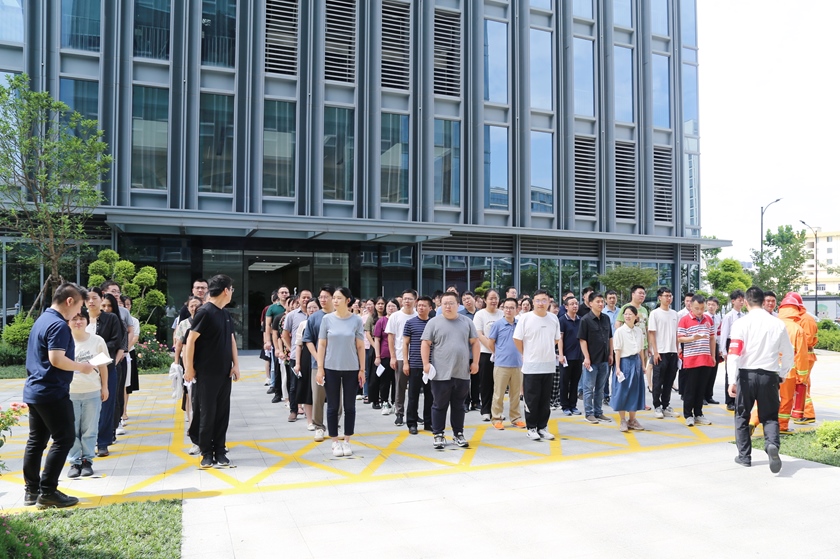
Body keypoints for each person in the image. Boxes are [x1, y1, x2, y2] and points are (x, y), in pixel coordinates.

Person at [23, 282, 92, 509]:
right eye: (79, 307)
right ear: (69, 301)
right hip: (52, 391)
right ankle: (48, 491)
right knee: (64, 439)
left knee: (36, 441)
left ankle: (32, 490)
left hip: (35, 390)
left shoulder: (42, 319)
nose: (79, 313)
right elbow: (56, 359)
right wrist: (82, 367)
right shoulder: (59, 325)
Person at [728, 286, 793, 472]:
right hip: (769, 376)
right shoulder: (777, 323)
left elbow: (734, 354)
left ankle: (744, 456)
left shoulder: (740, 324)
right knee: (770, 416)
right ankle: (771, 444)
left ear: (746, 302)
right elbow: (789, 353)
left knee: (742, 415)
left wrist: (732, 380)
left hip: (746, 375)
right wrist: (783, 373)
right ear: (764, 302)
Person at [184, 274, 240, 468]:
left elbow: (231, 340)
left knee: (222, 413)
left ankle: (220, 451)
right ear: (226, 290)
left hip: (224, 372)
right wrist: (189, 368)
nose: (232, 292)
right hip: (206, 373)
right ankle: (206, 452)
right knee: (207, 413)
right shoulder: (205, 312)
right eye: (231, 289)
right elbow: (190, 341)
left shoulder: (225, 314)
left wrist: (236, 364)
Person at [421, 292, 479, 450]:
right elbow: (425, 343)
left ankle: (458, 433)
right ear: (440, 305)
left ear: (458, 305)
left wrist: (475, 362)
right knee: (439, 405)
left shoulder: (467, 322)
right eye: (445, 303)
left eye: (451, 303)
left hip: (462, 372)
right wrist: (426, 364)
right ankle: (438, 434)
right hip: (440, 373)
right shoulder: (434, 322)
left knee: (459, 405)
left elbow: (475, 343)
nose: (448, 306)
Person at [316, 287, 365, 457]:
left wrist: (362, 369)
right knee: (332, 406)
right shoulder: (327, 319)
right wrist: (320, 368)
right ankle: (335, 442)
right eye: (334, 298)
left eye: (338, 298)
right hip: (331, 368)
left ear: (347, 300)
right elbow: (322, 345)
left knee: (350, 406)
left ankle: (347, 440)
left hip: (352, 368)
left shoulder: (356, 320)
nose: (335, 301)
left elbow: (360, 346)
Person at [750, 293, 808, 435]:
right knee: (786, 399)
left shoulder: (771, 323)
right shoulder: (797, 329)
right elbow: (801, 356)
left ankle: (753, 421)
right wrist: (802, 377)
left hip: (769, 368)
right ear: (797, 309)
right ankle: (782, 426)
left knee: (763, 398)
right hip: (788, 372)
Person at [66, 308, 109, 479]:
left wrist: (104, 387)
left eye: (81, 318)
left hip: (92, 390)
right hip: (70, 392)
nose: (78, 322)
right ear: (68, 322)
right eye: (74, 319)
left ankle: (87, 461)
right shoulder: (64, 341)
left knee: (90, 429)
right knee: (72, 429)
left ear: (87, 320)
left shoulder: (97, 341)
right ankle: (74, 461)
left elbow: (103, 366)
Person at [513, 290, 561, 441]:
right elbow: (517, 339)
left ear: (549, 302)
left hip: (548, 365)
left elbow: (556, 339)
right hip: (531, 366)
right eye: (538, 300)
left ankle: (542, 427)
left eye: (544, 300)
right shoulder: (525, 318)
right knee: (532, 399)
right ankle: (531, 427)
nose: (541, 303)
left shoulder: (553, 318)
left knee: (545, 400)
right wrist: (526, 353)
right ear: (533, 302)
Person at [84, 288, 123, 458]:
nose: (91, 301)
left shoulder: (111, 318)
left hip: (106, 366)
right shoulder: (80, 318)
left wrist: (95, 354)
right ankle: (86, 442)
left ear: (101, 299)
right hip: (83, 369)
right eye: (87, 299)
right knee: (85, 407)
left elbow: (116, 341)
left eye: (94, 298)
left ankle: (103, 443)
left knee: (106, 405)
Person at [303, 286, 336, 442]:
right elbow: (308, 340)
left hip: (337, 364)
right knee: (317, 398)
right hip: (317, 365)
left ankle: (335, 425)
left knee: (337, 398)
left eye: (326, 297)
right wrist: (318, 358)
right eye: (321, 297)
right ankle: (318, 427)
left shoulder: (340, 316)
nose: (322, 299)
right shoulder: (314, 317)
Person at [677, 294, 716, 427]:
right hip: (691, 359)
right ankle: (688, 415)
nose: (699, 311)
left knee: (701, 389)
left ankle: (699, 414)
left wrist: (713, 356)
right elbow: (680, 338)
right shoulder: (684, 320)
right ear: (691, 307)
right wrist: (693, 338)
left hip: (705, 358)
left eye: (702, 308)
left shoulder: (708, 319)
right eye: (696, 308)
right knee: (690, 389)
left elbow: (712, 338)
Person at [487, 297, 525, 429]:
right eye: (506, 307)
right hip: (501, 364)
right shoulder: (497, 325)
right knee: (499, 394)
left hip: (517, 364)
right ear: (503, 309)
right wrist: (498, 354)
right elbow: (491, 343)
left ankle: (516, 418)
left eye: (511, 308)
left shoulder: (520, 324)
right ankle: (496, 418)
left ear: (516, 310)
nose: (508, 310)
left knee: (515, 394)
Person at [578, 292, 614, 424]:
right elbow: (582, 340)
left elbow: (610, 337)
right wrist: (586, 357)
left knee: (600, 388)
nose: (600, 304)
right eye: (597, 301)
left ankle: (598, 412)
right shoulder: (585, 320)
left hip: (604, 359)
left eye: (601, 301)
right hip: (591, 360)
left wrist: (611, 354)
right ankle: (589, 413)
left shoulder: (606, 318)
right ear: (590, 303)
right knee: (588, 388)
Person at [174, 296, 203, 455]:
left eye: (197, 305)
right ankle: (193, 430)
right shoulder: (184, 324)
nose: (194, 308)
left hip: (204, 365)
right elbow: (179, 345)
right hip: (188, 366)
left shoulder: (206, 321)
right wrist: (178, 364)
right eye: (191, 306)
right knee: (190, 398)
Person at [402, 296, 434, 435]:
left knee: (430, 396)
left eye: (424, 305)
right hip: (414, 364)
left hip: (431, 365)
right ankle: (412, 423)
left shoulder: (434, 323)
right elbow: (405, 344)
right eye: (419, 305)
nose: (420, 308)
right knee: (413, 396)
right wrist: (405, 362)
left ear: (430, 308)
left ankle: (429, 422)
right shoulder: (410, 323)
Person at [612, 306, 646, 432]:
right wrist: (618, 367)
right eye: (625, 314)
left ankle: (632, 420)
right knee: (622, 391)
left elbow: (641, 350)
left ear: (635, 316)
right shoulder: (620, 331)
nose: (627, 316)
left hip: (636, 362)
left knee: (635, 391)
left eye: (630, 314)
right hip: (624, 362)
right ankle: (622, 420)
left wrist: (643, 365)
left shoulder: (638, 331)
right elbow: (617, 350)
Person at [648, 287, 680, 419]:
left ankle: (666, 406)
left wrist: (677, 350)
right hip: (660, 352)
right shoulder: (655, 313)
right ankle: (657, 406)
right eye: (666, 296)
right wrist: (655, 352)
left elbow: (677, 334)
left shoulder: (675, 314)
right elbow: (652, 333)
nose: (668, 298)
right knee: (658, 381)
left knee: (669, 381)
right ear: (659, 298)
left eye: (670, 296)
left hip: (673, 352)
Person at [386, 289, 417, 426]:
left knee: (415, 388)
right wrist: (392, 357)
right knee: (400, 386)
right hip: (399, 356)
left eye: (410, 299)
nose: (407, 301)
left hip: (416, 356)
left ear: (415, 300)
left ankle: (413, 413)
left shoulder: (418, 315)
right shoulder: (395, 316)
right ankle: (399, 413)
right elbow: (390, 337)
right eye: (405, 299)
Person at [281, 289, 312, 420]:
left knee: (310, 384)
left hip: (312, 356)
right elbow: (284, 335)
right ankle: (293, 410)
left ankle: (310, 411)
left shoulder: (316, 315)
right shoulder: (292, 315)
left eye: (308, 297)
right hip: (296, 356)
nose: (306, 300)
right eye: (303, 297)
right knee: (294, 385)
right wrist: (292, 348)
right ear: (298, 299)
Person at [473, 289, 503, 421]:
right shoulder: (480, 315)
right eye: (491, 298)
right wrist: (493, 348)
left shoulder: (502, 314)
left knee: (499, 384)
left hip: (501, 354)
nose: (494, 301)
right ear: (485, 300)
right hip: (485, 353)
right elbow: (479, 334)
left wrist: (499, 350)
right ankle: (485, 410)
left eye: (496, 298)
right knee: (485, 383)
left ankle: (497, 410)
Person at [294, 299, 321, 430]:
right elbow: (299, 345)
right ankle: (310, 421)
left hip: (322, 358)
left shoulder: (325, 321)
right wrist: (297, 363)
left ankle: (320, 420)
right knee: (307, 391)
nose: (311, 310)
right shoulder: (303, 324)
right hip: (306, 359)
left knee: (320, 391)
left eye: (314, 307)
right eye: (309, 307)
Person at [721, 289, 746, 411]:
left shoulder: (744, 316)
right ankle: (729, 401)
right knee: (730, 372)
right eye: (739, 300)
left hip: (741, 344)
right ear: (733, 301)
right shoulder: (729, 316)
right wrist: (724, 351)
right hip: (730, 343)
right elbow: (724, 334)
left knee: (740, 372)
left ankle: (738, 399)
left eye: (742, 300)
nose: (741, 302)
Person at [558, 296, 583, 416]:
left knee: (575, 382)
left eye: (576, 303)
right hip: (566, 357)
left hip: (578, 356)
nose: (575, 306)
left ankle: (573, 405)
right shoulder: (562, 320)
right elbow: (560, 339)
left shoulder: (581, 320)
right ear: (566, 306)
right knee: (564, 382)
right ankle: (565, 406)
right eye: (572, 304)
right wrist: (561, 354)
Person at [372, 299, 398, 412]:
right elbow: (377, 340)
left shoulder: (400, 320)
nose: (390, 308)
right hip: (385, 355)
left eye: (393, 306)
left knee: (397, 381)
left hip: (399, 354)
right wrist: (377, 356)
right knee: (385, 380)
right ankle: (385, 402)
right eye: (389, 306)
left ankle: (395, 402)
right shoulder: (381, 321)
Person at [362, 297, 386, 404]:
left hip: (385, 347)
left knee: (384, 375)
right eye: (378, 304)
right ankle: (372, 397)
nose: (380, 306)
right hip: (373, 348)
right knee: (373, 374)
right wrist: (375, 346)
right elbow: (367, 333)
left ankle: (383, 397)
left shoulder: (388, 317)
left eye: (382, 304)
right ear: (375, 306)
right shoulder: (372, 318)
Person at [704, 296, 722, 405]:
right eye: (709, 304)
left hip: (715, 344)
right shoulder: (704, 317)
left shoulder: (718, 318)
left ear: (717, 307)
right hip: (706, 345)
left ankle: (709, 395)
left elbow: (718, 333)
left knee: (713, 371)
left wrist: (720, 348)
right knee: (705, 372)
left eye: (713, 305)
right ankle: (701, 396)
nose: (711, 307)